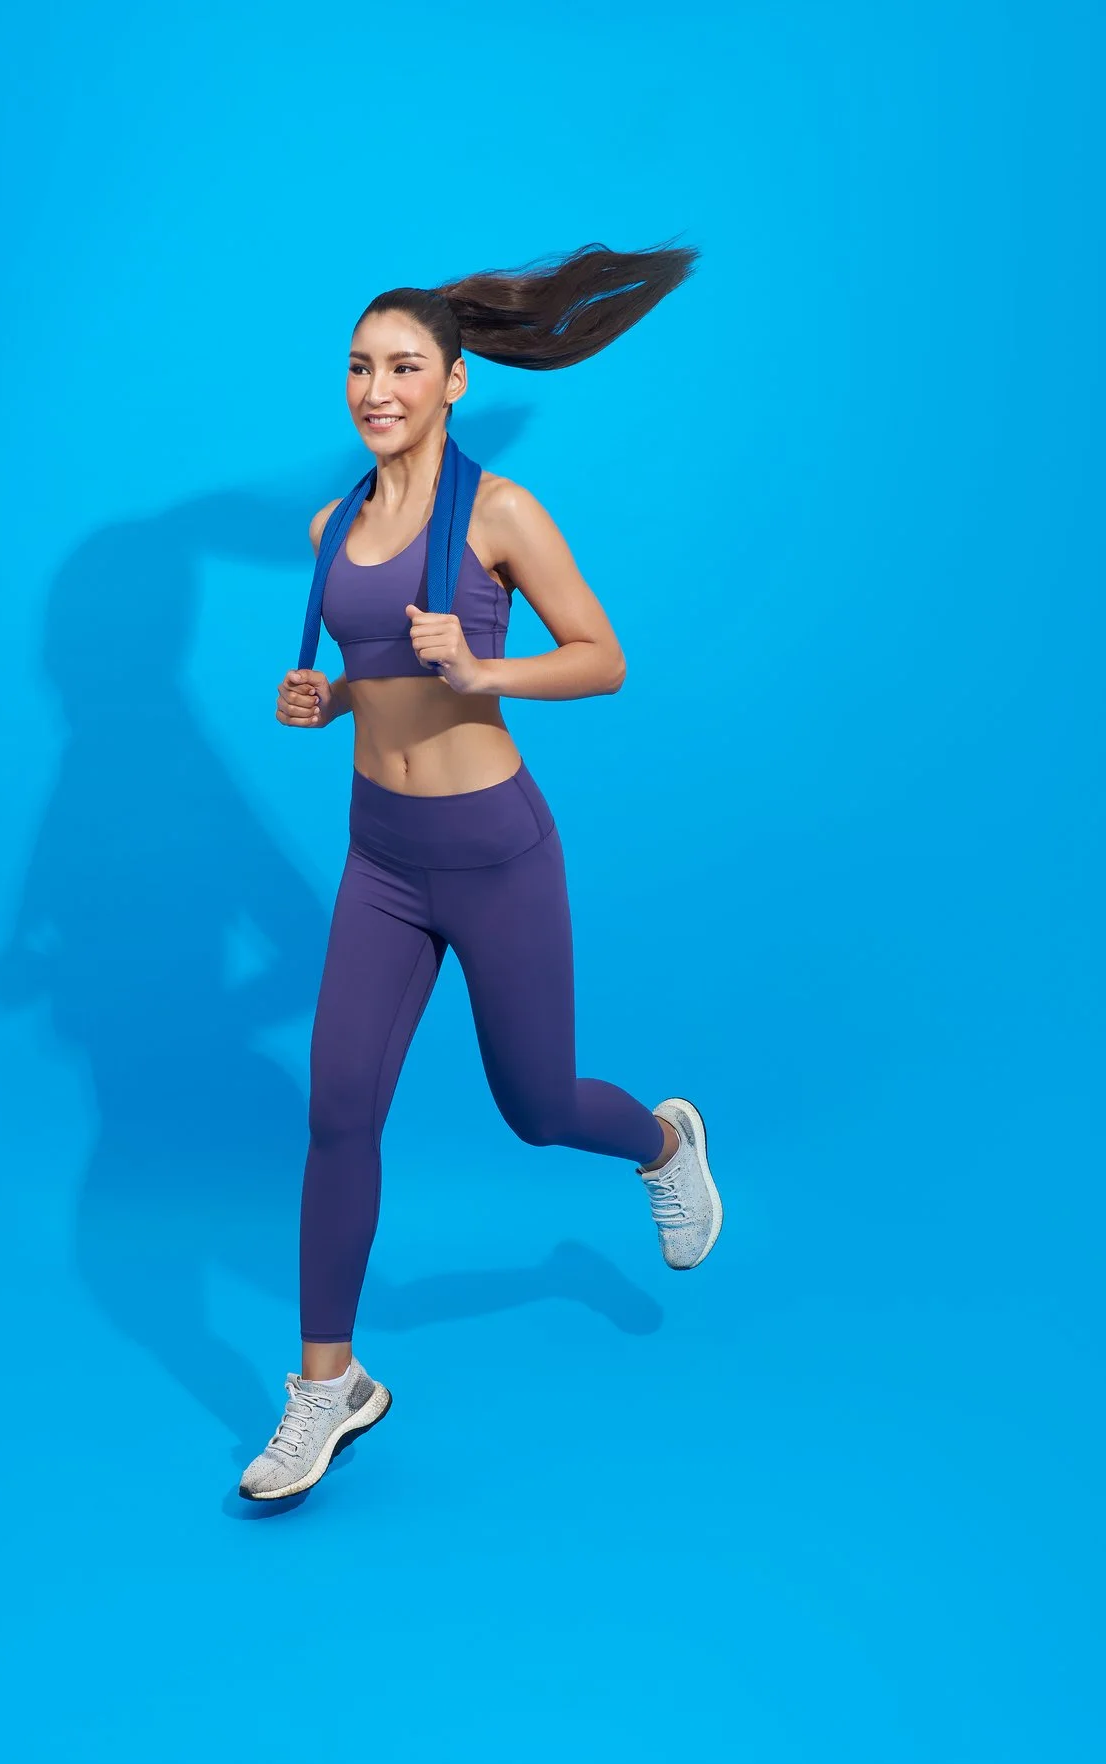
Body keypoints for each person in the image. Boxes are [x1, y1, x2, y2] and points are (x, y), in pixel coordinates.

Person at [238, 243, 722, 1502]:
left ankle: (662, 1141)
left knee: (538, 1106)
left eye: (405, 367)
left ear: (454, 381)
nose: (376, 388)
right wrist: (333, 700)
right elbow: (380, 678)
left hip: (494, 851)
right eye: (360, 367)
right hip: (381, 859)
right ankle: (327, 1387)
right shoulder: (331, 528)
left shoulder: (501, 512)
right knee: (338, 1111)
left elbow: (602, 656)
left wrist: (482, 670)